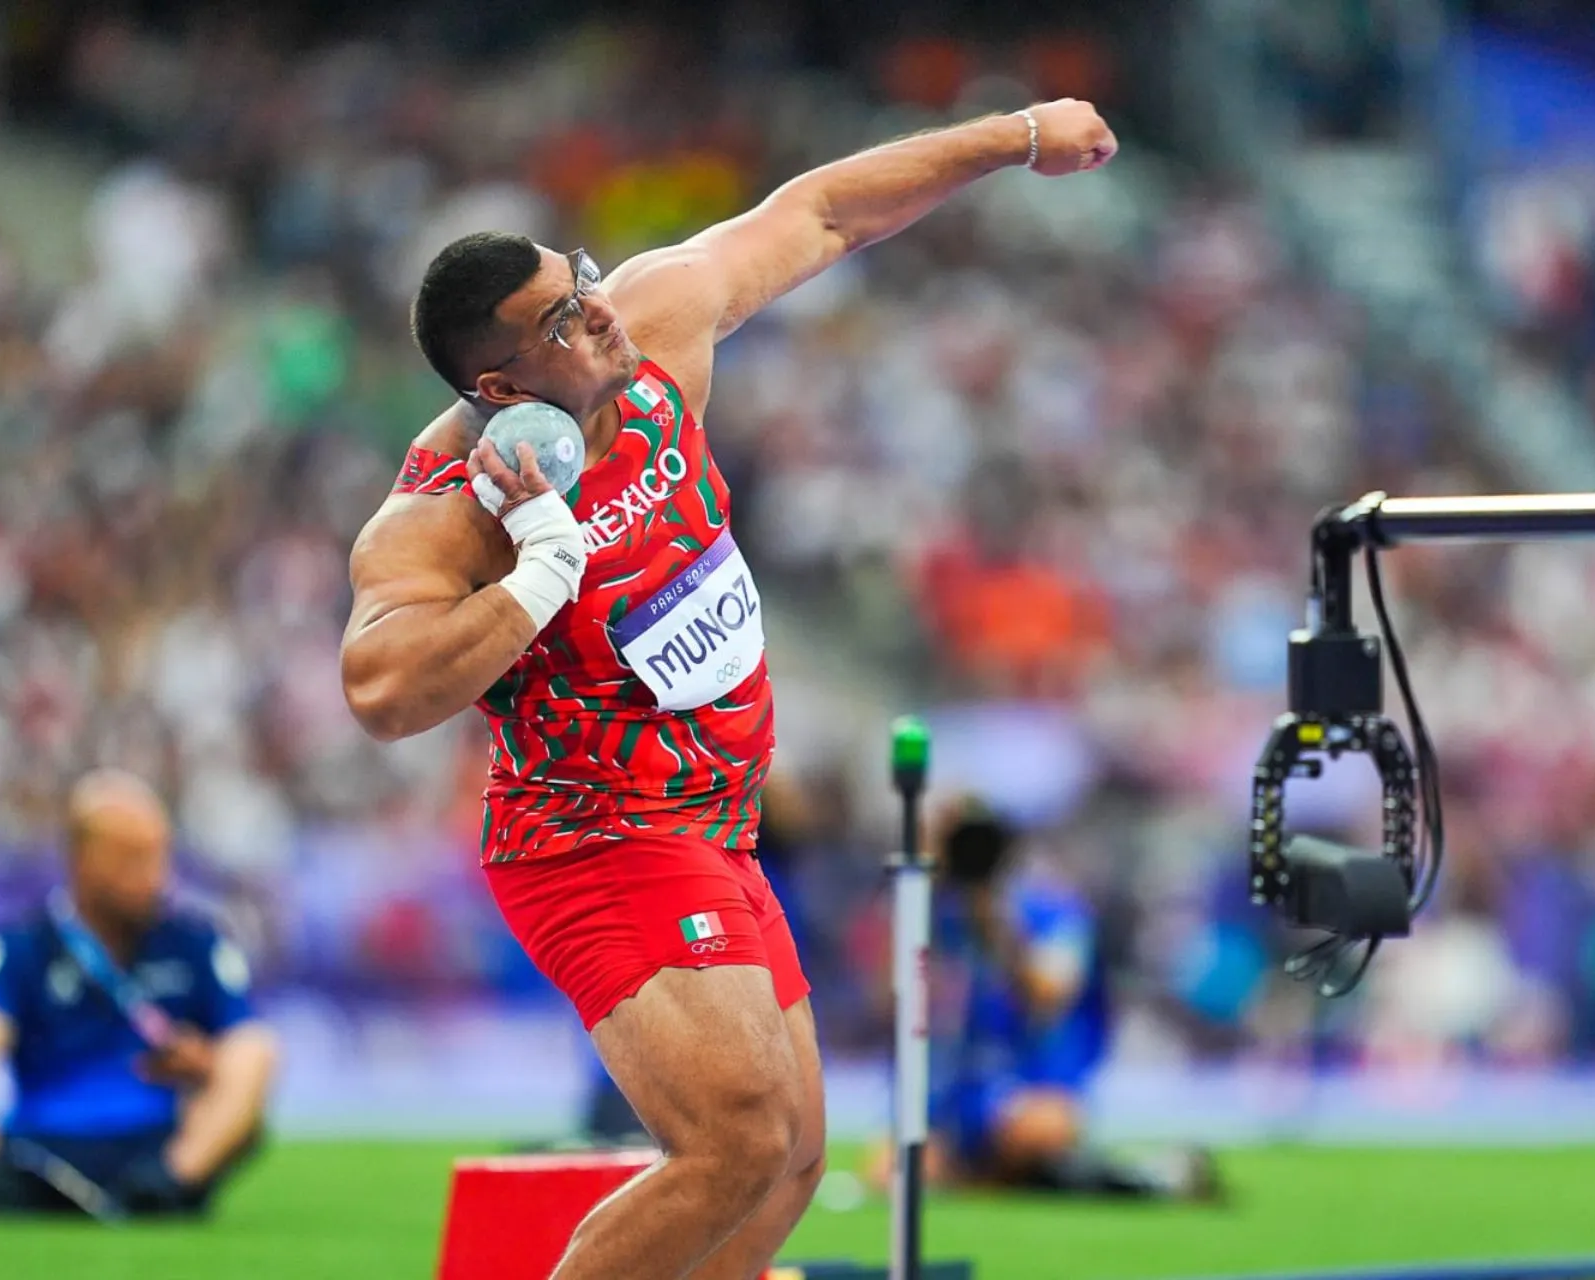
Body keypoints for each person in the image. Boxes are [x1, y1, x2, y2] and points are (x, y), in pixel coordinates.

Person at [339, 100, 1118, 1279]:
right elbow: (382, 689)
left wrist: (1015, 134)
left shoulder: (645, 338)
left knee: (795, 1149)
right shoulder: (445, 512)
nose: (597, 305)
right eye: (562, 313)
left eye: (582, 276)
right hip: (595, 836)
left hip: (716, 824)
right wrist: (541, 571)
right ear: (501, 386)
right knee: (734, 1140)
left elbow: (818, 211)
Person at [0, 770, 279, 1218]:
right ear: (85, 860)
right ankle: (55, 1189)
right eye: (135, 860)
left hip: (162, 1140)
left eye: (161, 858)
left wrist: (207, 1064)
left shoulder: (196, 943)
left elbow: (246, 1048)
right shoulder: (21, 946)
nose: (157, 878)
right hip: (44, 1145)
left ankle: (166, 1184)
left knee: (257, 1050)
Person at [905, 801, 1220, 1201]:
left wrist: (995, 927)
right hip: (959, 1095)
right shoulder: (935, 914)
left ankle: (1134, 1178)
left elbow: (1049, 994)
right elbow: (890, 998)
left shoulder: (1054, 912)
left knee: (1035, 1133)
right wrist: (915, 887)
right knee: (894, 1169)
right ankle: (1121, 1178)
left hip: (1034, 1085)